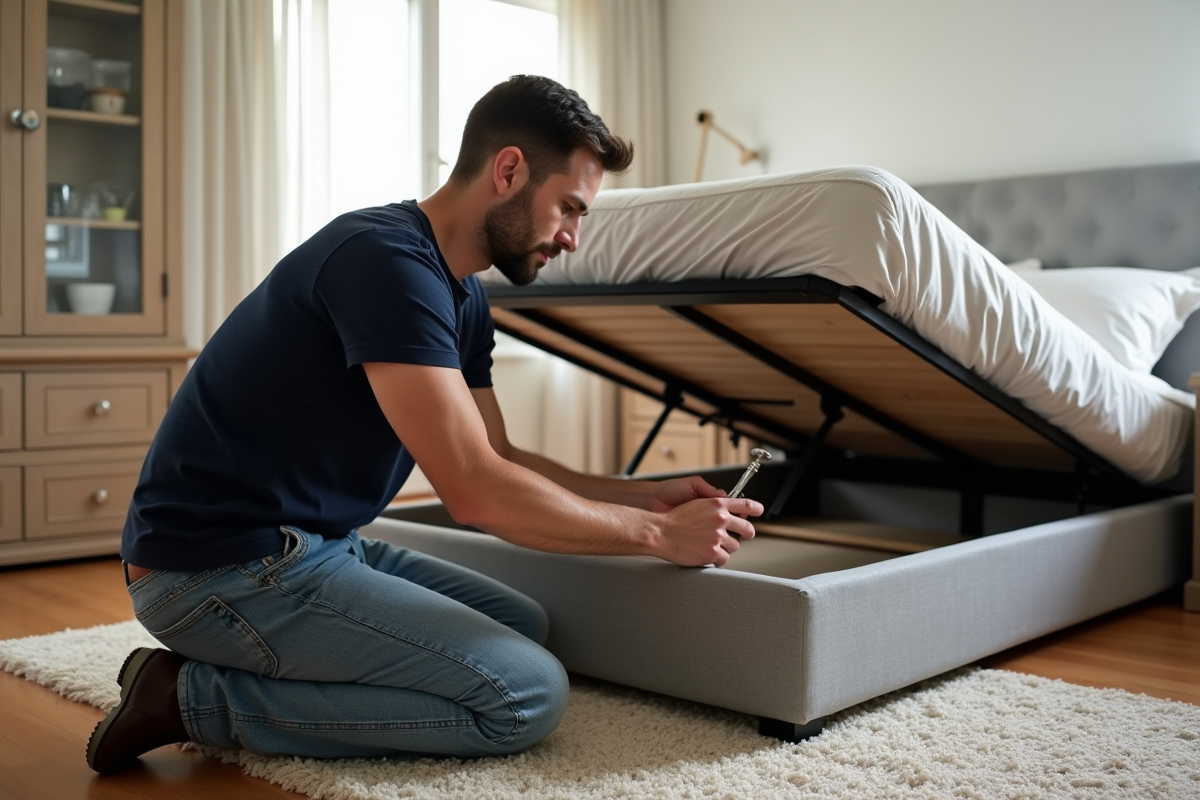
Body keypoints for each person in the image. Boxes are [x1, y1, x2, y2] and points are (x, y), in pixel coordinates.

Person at [86, 75, 762, 775]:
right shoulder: (383, 262)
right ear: (508, 170)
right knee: (524, 694)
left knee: (523, 626)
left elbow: (495, 452)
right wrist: (657, 536)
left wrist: (645, 498)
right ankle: (188, 697)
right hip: (215, 570)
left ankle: (284, 669)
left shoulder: (462, 291)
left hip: (313, 547)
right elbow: (476, 492)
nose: (572, 237)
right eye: (569, 208)